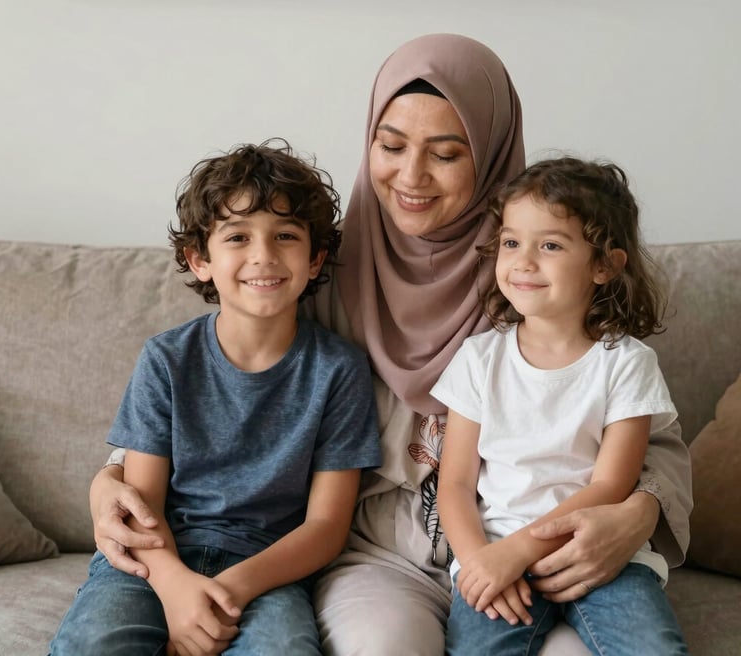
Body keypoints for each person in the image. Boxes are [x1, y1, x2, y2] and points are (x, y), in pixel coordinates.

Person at [87, 34, 692, 655]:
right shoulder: (313, 269)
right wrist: (111, 479)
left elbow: (646, 436)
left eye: (446, 153)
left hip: (536, 552)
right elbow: (227, 383)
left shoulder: (539, 273)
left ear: (490, 156)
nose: (411, 176)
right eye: (392, 145)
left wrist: (638, 512)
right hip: (382, 556)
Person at [49, 140, 382, 655]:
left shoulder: (340, 370)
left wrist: (228, 591)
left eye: (286, 235)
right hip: (153, 560)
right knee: (94, 644)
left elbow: (325, 526)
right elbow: (141, 503)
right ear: (199, 259)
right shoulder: (166, 359)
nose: (263, 255)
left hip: (266, 571)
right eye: (238, 237)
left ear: (316, 259)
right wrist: (176, 589)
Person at [433, 157, 689, 655]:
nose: (523, 261)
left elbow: (611, 486)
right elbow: (456, 484)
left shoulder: (627, 363)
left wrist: (522, 549)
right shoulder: (478, 359)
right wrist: (480, 561)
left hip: (601, 555)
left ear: (604, 266)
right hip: (497, 553)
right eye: (511, 243)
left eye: (550, 245)